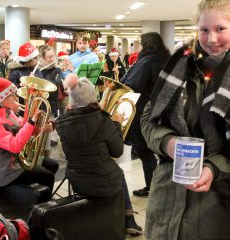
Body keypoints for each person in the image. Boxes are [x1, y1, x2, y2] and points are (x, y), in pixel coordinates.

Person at [141, 0, 230, 239]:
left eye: (220, 29)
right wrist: (167, 142)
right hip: (167, 193)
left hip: (216, 202)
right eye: (204, 30)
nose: (211, 39)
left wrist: (213, 168)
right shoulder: (178, 66)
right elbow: (149, 119)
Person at [54, 74, 142, 236]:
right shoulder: (103, 120)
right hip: (103, 181)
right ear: (92, 97)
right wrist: (115, 123)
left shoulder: (61, 123)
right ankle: (129, 220)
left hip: (77, 179)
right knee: (117, 171)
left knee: (109, 168)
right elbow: (117, 151)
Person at [121, 32, 171, 197]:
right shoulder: (167, 61)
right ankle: (164, 185)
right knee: (162, 149)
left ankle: (152, 187)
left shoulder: (146, 62)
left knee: (144, 151)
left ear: (147, 45)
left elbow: (132, 85)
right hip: (164, 111)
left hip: (144, 112)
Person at [0, 76, 59, 193]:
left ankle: (36, 194)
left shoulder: (7, 111)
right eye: (11, 95)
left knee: (53, 165)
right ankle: (41, 208)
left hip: (17, 159)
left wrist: (43, 124)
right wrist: (31, 122)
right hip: (6, 169)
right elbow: (14, 146)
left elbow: (23, 127)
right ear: (0, 99)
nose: (16, 98)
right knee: (48, 176)